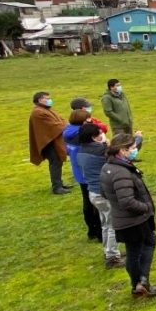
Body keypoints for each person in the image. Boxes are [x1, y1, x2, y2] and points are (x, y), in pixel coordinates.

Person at [100, 133, 156, 297]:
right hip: (134, 221)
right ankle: (140, 281)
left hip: (125, 219)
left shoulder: (108, 166)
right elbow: (127, 202)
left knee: (139, 247)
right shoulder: (121, 172)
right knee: (140, 248)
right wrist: (146, 207)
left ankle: (140, 283)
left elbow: (104, 193)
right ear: (122, 150)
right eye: (132, 148)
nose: (135, 151)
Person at [77, 123, 125, 268]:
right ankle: (112, 257)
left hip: (93, 193)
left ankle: (109, 251)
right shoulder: (100, 150)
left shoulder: (81, 151)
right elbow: (120, 155)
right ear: (93, 137)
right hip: (105, 193)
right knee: (112, 225)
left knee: (105, 224)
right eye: (99, 133)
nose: (102, 135)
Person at [63, 108, 102, 240]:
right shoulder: (80, 135)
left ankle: (91, 230)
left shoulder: (68, 132)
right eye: (88, 119)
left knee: (87, 201)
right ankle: (98, 231)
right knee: (94, 204)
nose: (90, 120)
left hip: (79, 172)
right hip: (88, 173)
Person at [28, 91, 71, 195]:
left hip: (53, 140)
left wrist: (64, 124)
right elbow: (53, 126)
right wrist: (65, 125)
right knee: (55, 163)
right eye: (46, 98)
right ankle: (57, 187)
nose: (49, 100)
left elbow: (61, 121)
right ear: (39, 100)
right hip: (48, 142)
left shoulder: (46, 110)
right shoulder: (38, 112)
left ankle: (59, 183)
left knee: (58, 162)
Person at [101, 78, 143, 155]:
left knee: (129, 142)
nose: (120, 86)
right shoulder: (107, 98)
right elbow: (108, 112)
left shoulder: (121, 94)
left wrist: (129, 119)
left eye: (120, 85)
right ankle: (119, 158)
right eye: (117, 85)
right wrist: (120, 119)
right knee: (120, 143)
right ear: (111, 87)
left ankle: (130, 157)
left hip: (128, 123)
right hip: (118, 125)